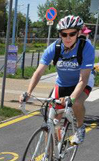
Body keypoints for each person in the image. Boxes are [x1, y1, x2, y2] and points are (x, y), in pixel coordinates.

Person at [19, 15, 95, 146]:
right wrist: (28, 93)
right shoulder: (55, 47)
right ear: (60, 34)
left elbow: (83, 79)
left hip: (82, 82)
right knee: (52, 121)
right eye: (63, 34)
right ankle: (49, 155)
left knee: (76, 103)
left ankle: (80, 127)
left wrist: (70, 98)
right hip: (62, 83)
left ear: (79, 33)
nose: (68, 38)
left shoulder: (86, 48)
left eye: (72, 34)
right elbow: (38, 72)